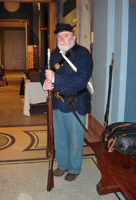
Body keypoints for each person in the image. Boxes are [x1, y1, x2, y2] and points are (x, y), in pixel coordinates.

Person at [40, 24, 93, 181]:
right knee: (60, 138)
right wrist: (45, 83)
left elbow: (81, 80)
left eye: (66, 36)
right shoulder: (55, 55)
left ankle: (75, 168)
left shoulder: (83, 54)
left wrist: (55, 78)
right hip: (57, 102)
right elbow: (45, 72)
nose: (62, 39)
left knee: (76, 139)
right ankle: (62, 164)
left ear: (74, 37)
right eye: (59, 37)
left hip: (75, 103)